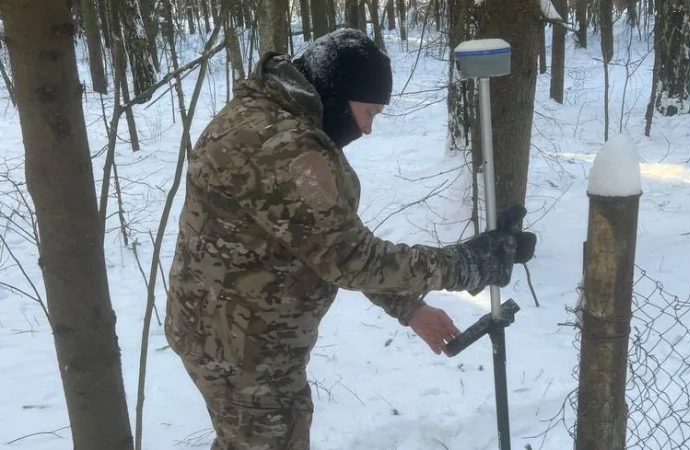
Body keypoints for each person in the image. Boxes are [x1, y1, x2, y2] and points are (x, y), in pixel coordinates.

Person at [164, 29, 536, 450]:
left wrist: (408, 306)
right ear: (337, 94)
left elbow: (322, 240)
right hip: (242, 350)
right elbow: (351, 257)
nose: (367, 129)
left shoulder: (272, 115)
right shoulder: (282, 145)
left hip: (231, 330)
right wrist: (468, 264)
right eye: (368, 112)